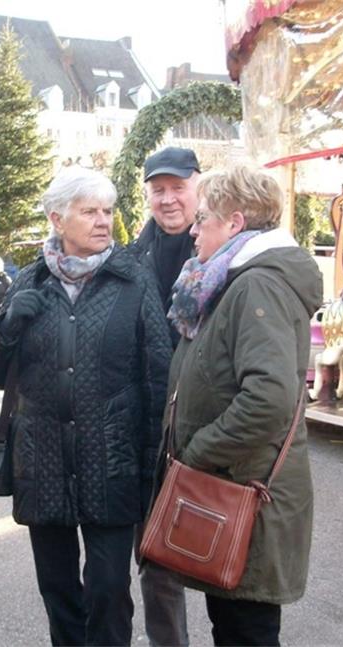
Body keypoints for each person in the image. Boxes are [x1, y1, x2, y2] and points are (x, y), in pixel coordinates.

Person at [0, 167, 172, 646]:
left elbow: (158, 377)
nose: (103, 220)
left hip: (112, 462)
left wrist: (154, 469)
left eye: (108, 210)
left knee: (108, 589)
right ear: (57, 219)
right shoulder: (29, 280)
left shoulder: (133, 281)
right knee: (58, 590)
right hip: (41, 462)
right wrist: (7, 330)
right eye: (89, 211)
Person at [155, 165, 322, 646]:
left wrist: (194, 452)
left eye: (202, 217)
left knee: (245, 632)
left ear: (234, 222)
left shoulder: (256, 285)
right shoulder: (235, 279)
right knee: (234, 626)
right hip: (237, 485)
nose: (192, 228)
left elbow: (268, 399)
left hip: (245, 492)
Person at [128, 146, 200, 645]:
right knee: (156, 561)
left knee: (227, 554)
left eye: (178, 188)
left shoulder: (225, 254)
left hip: (205, 427)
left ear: (199, 187)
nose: (168, 199)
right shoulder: (131, 259)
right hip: (148, 432)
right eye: (159, 190)